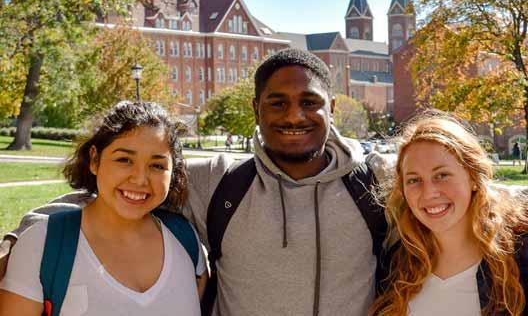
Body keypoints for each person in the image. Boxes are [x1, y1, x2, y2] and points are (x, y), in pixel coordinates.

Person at [0, 49, 390, 316]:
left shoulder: (376, 183)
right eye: (277, 102)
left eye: (309, 101)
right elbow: (114, 194)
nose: (293, 115)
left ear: (332, 108)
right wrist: (19, 238)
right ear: (256, 108)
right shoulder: (222, 182)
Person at [0, 101, 207, 315]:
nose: (139, 179)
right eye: (124, 159)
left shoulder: (185, 239)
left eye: (157, 165)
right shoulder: (41, 245)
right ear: (94, 160)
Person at [369, 111, 528, 316]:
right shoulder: (398, 263)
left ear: (473, 177)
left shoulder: (519, 256)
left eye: (442, 175)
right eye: (414, 180)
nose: (429, 192)